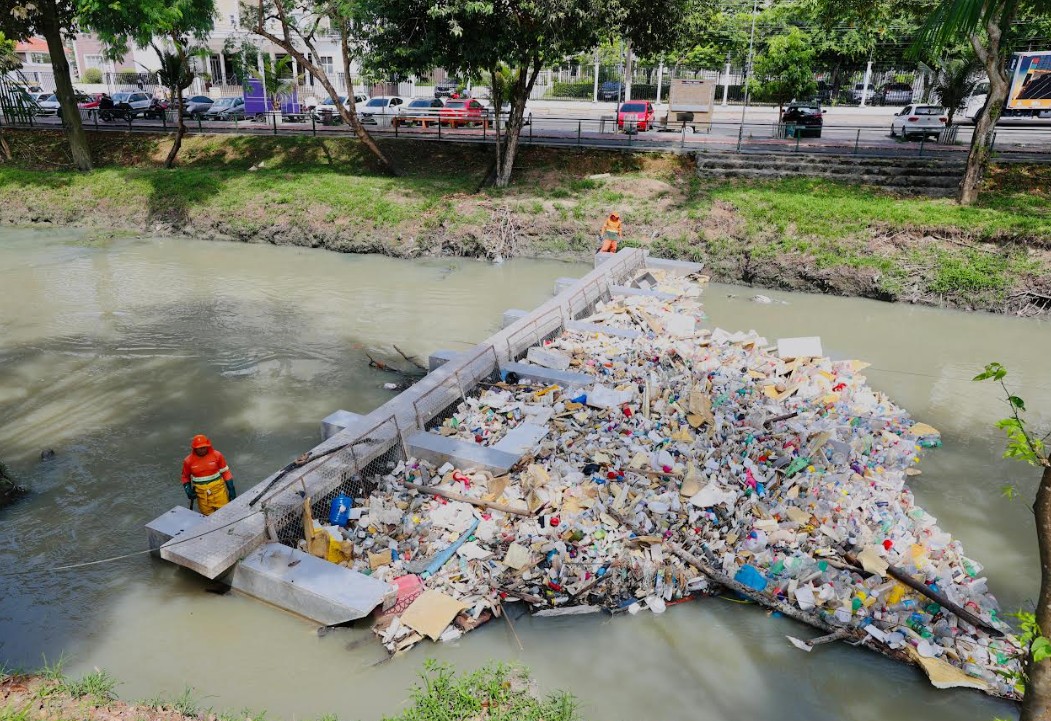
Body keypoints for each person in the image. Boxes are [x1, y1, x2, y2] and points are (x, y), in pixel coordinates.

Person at [181, 434, 236, 515]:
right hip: (202, 495)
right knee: (207, 517)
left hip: (219, 492)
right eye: (199, 448)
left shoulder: (217, 455)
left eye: (204, 447)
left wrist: (231, 489)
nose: (202, 450)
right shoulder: (188, 461)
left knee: (226, 513)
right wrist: (188, 490)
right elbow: (185, 477)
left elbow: (225, 472)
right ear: (194, 448)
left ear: (208, 446)